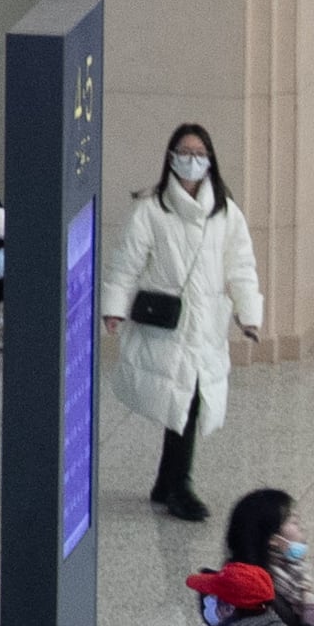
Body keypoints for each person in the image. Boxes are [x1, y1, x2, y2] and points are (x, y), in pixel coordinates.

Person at [107, 124, 258, 522]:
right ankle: (180, 486)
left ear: (210, 160)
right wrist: (114, 308)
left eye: (199, 153)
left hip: (205, 325)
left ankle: (166, 481)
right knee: (184, 402)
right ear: (171, 157)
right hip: (167, 325)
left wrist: (249, 314)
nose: (191, 160)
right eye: (184, 152)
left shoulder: (225, 212)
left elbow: (241, 266)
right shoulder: (151, 209)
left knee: (187, 399)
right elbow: (126, 264)